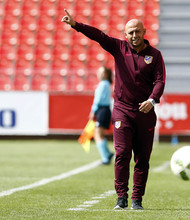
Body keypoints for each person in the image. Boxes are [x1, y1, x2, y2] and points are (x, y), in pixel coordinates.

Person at [62, 9, 166, 210]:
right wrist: (76, 25)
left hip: (145, 113)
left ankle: (137, 199)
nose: (134, 35)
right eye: (130, 33)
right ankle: (121, 198)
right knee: (122, 153)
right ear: (125, 35)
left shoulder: (155, 55)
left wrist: (152, 100)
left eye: (137, 31)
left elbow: (160, 80)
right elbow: (99, 35)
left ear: (144, 32)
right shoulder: (119, 48)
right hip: (122, 110)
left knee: (142, 159)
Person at [89, 66, 114, 165]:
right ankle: (107, 153)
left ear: (105, 74)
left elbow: (98, 100)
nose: (98, 73)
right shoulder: (107, 84)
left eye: (100, 72)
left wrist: (93, 111)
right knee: (100, 134)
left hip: (102, 110)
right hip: (105, 110)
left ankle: (105, 157)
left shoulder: (103, 84)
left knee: (98, 135)